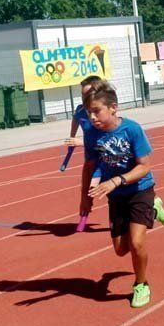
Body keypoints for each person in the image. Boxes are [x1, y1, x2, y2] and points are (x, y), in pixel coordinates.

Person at [76, 82, 164, 307]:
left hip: (139, 189)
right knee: (120, 249)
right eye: (89, 113)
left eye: (97, 111)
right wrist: (84, 197)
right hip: (116, 196)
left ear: (113, 108)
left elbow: (145, 166)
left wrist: (117, 180)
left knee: (137, 243)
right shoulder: (91, 135)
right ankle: (155, 209)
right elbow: (89, 166)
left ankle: (141, 284)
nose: (93, 117)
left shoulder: (132, 130)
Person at [69, 76, 103, 232]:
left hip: (106, 159)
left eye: (87, 94)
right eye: (82, 95)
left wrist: (80, 142)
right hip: (90, 159)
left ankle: (152, 201)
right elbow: (76, 120)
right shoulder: (80, 110)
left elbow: (104, 138)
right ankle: (83, 217)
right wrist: (73, 136)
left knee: (113, 190)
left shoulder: (101, 113)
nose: (84, 98)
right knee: (86, 190)